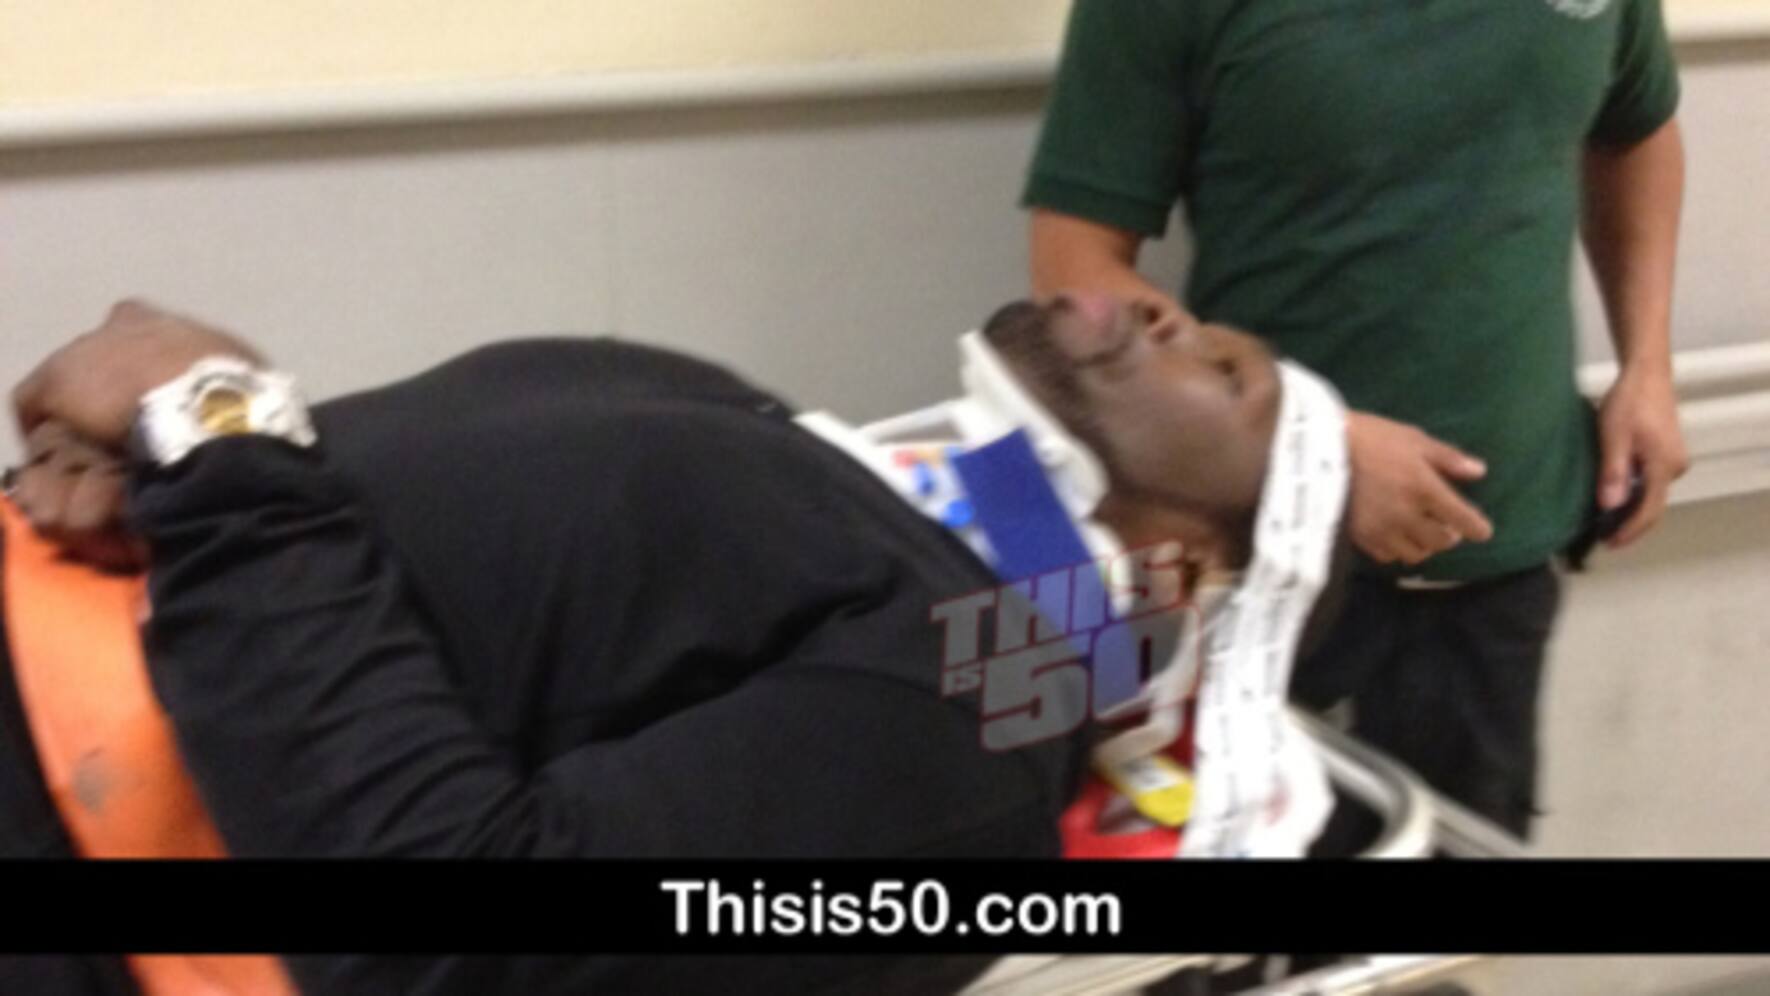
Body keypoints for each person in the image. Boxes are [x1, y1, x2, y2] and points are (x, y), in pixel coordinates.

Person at [2, 294, 1344, 994]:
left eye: (1229, 376)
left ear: (1198, 572)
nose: (1166, 311)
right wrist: (150, 463)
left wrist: (213, 431)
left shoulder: (979, 723)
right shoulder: (758, 422)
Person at [1021, 0, 1690, 840]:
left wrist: (1647, 368)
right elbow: (1076, 275)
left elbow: (1636, 132)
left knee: (1458, 890)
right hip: (1270, 573)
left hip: (1498, 557)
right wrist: (1315, 440)